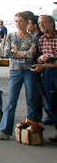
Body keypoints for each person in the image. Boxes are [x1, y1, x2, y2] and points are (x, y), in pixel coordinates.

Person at [0, 11, 40, 140]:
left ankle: (31, 129)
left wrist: (17, 52)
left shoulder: (33, 38)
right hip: (15, 70)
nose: (18, 24)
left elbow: (31, 54)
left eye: (20, 21)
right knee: (11, 101)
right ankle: (4, 130)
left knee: (31, 99)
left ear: (26, 22)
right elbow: (5, 53)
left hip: (29, 70)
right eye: (16, 21)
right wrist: (23, 53)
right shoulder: (11, 36)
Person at [31, 14, 57, 142]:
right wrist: (41, 60)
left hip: (54, 70)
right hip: (47, 73)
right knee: (51, 103)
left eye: (44, 22)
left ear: (52, 23)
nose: (41, 25)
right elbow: (39, 56)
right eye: (40, 23)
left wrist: (45, 64)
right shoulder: (41, 40)